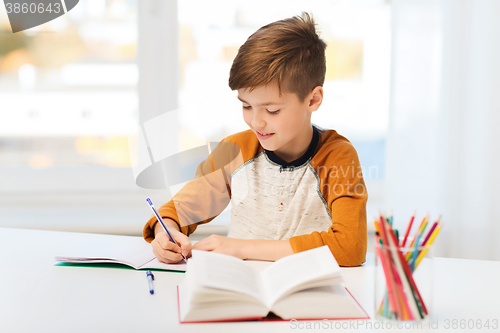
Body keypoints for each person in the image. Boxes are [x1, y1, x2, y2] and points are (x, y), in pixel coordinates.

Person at [142, 12, 367, 267]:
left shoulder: (337, 156)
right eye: (247, 106)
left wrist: (242, 248)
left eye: (272, 110)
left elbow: (351, 246)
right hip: (242, 290)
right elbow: (177, 211)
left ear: (313, 100)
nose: (256, 122)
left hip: (308, 294)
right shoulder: (236, 150)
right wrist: (165, 233)